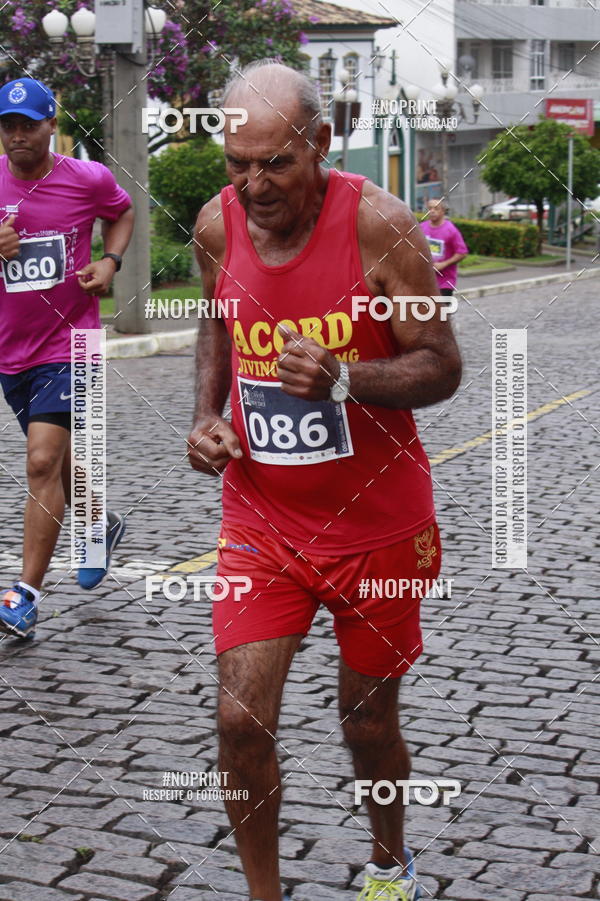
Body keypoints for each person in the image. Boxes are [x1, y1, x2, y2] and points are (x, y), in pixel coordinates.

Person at [187, 60, 461, 901]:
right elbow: (214, 322)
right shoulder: (217, 227)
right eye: (238, 164)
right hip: (264, 520)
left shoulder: (381, 227)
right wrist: (207, 415)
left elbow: (443, 367)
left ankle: (388, 860)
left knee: (367, 719)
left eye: (276, 163)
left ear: (322, 145)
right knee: (239, 720)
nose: (254, 185)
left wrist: (345, 377)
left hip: (375, 527)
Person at [0, 78, 134, 640]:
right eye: (8, 126)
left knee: (40, 461)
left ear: (52, 125)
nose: (17, 137)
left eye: (29, 125)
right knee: (64, 466)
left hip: (72, 342)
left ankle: (24, 596)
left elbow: (122, 213)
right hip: (12, 352)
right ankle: (97, 523)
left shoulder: (87, 179)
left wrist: (110, 263)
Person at [420, 198, 468, 295]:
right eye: (430, 208)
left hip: (445, 282)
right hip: (424, 281)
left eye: (436, 208)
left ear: (443, 211)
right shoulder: (421, 228)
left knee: (441, 309)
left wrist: (443, 264)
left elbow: (462, 253)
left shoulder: (451, 230)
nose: (432, 211)